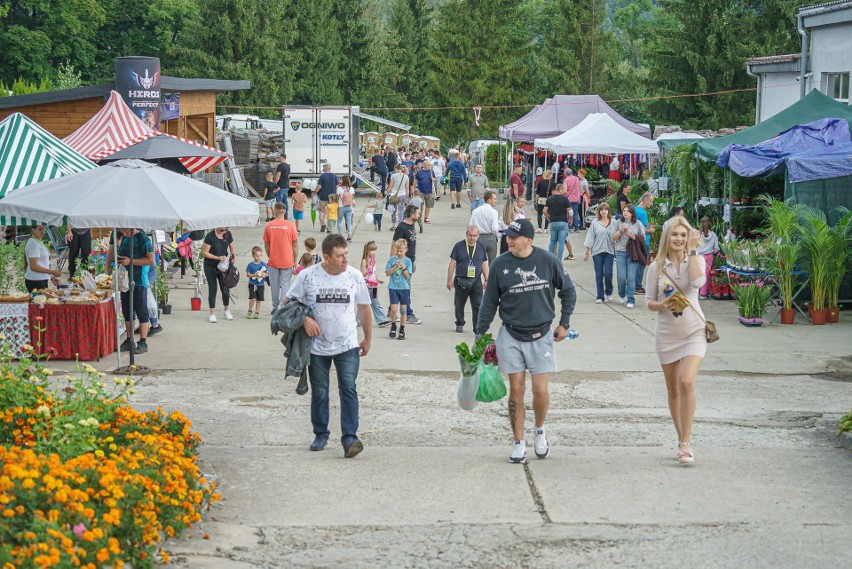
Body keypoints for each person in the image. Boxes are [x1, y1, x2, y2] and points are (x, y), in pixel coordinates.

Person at [475, 219, 577, 464]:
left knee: (540, 390)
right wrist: (480, 333)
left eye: (514, 237)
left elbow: (568, 291)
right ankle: (518, 442)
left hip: (541, 335)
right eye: (508, 236)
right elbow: (489, 302)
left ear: (528, 240)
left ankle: (539, 431)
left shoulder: (547, 261)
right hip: (510, 335)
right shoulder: (500, 265)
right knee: (516, 391)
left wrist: (564, 323)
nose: (509, 240)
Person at [285, 234, 372, 458]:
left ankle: (350, 438)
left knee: (348, 388)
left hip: (348, 344)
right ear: (326, 257)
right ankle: (321, 434)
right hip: (316, 347)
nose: (345, 259)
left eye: (346, 254)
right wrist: (304, 319)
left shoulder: (354, 276)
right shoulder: (307, 276)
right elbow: (287, 304)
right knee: (320, 392)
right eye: (340, 256)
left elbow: (364, 307)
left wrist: (367, 338)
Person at [645, 217, 707, 465]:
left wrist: (692, 251)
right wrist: (661, 305)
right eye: (675, 235)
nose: (679, 239)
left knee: (686, 381)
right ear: (667, 237)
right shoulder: (656, 266)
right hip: (667, 333)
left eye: (683, 235)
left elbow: (698, 283)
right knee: (672, 389)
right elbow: (648, 301)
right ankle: (680, 437)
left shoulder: (697, 259)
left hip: (694, 330)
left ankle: (686, 442)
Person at [108, 228, 155, 354]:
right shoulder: (123, 237)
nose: (123, 231)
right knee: (127, 312)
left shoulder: (143, 239)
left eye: (125, 230)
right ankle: (129, 340)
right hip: (125, 281)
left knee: (142, 311)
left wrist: (131, 261)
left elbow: (151, 260)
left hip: (139, 281)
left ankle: (143, 342)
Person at [447, 225, 489, 333]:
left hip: (476, 281)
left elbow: (484, 263)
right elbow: (452, 263)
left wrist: (487, 279)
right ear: (466, 234)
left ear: (478, 235)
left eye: (475, 236)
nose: (472, 238)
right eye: (470, 235)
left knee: (478, 305)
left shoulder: (481, 246)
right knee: (459, 304)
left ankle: (477, 327)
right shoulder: (459, 246)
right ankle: (459, 322)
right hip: (461, 280)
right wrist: (449, 280)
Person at [263, 202, 299, 314]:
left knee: (274, 285)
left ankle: (275, 306)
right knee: (285, 285)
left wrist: (270, 256)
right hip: (287, 260)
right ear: (285, 211)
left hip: (274, 260)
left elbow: (266, 244)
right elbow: (295, 244)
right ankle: (282, 307)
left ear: (274, 211)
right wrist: (295, 261)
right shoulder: (291, 225)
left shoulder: (269, 225)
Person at [390, 205, 423, 325]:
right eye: (417, 213)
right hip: (402, 263)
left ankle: (391, 311)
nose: (419, 215)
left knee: (402, 287)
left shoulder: (412, 225)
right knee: (405, 288)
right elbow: (394, 244)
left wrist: (414, 262)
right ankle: (409, 314)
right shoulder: (401, 227)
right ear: (412, 214)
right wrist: (393, 262)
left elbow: (412, 244)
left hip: (410, 262)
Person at [612, 204, 645, 309]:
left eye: (627, 211)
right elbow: (613, 237)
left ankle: (631, 299)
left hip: (632, 253)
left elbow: (643, 238)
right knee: (621, 277)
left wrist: (633, 236)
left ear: (632, 213)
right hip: (621, 252)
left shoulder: (637, 223)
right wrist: (620, 231)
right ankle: (622, 294)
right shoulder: (618, 222)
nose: (625, 213)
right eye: (624, 211)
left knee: (631, 278)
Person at [202, 227, 236, 323]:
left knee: (225, 287)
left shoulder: (228, 234)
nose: (224, 232)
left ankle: (227, 310)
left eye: (225, 230)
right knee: (213, 288)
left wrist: (233, 256)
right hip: (210, 265)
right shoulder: (210, 236)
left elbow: (232, 248)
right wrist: (217, 257)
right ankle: (212, 313)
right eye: (221, 230)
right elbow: (205, 252)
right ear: (217, 227)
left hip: (223, 265)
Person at [583, 202, 615, 303]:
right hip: (597, 251)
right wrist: (587, 252)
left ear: (608, 211)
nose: (604, 211)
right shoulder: (595, 223)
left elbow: (618, 235)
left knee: (609, 273)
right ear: (599, 211)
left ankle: (609, 292)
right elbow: (590, 237)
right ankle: (600, 296)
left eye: (605, 209)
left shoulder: (613, 222)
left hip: (609, 251)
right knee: (599, 275)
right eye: (602, 210)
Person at [385, 239, 413, 340]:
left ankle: (402, 329)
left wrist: (403, 267)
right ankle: (393, 325)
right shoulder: (392, 260)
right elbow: (387, 273)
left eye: (401, 251)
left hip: (404, 288)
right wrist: (395, 267)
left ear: (406, 250)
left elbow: (408, 276)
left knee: (403, 310)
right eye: (397, 251)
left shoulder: (408, 261)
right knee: (393, 309)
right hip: (393, 287)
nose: (399, 253)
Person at [359, 241, 390, 327]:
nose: (374, 252)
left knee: (377, 303)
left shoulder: (373, 260)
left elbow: (374, 273)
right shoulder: (364, 261)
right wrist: (367, 269)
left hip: (374, 286)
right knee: (364, 304)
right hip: (366, 286)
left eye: (375, 250)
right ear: (367, 251)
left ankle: (381, 320)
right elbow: (362, 274)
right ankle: (358, 321)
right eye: (372, 250)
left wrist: (378, 279)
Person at [24, 225, 62, 291]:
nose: (43, 232)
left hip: (40, 280)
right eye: (40, 229)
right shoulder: (33, 243)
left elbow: (43, 264)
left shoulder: (37, 242)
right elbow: (34, 266)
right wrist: (52, 272)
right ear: (33, 230)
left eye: (44, 229)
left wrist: (51, 277)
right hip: (35, 281)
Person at [469, 190, 500, 266]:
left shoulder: (475, 211)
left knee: (477, 262)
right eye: (494, 199)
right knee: (492, 262)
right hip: (490, 238)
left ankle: (477, 277)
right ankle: (490, 277)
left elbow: (470, 225)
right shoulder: (494, 212)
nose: (496, 201)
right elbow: (494, 228)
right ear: (489, 200)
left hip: (479, 238)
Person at [543, 183, 571, 261]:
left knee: (552, 241)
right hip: (563, 222)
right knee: (561, 242)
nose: (565, 190)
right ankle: (558, 260)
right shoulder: (565, 199)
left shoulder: (549, 198)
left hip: (553, 222)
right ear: (560, 190)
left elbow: (544, 210)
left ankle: (550, 259)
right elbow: (570, 211)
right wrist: (571, 218)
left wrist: (548, 216)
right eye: (564, 189)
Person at [634, 192, 656, 294]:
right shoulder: (643, 213)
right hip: (644, 241)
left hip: (635, 240)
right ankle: (637, 286)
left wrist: (647, 226)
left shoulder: (634, 210)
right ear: (645, 200)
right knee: (642, 264)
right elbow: (642, 230)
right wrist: (650, 230)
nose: (651, 204)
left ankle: (633, 284)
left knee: (636, 263)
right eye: (651, 201)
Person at [696, 216, 720, 299]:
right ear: (710, 223)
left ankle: (696, 292)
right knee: (706, 274)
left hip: (698, 256)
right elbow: (716, 248)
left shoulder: (698, 234)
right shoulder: (713, 235)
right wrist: (714, 251)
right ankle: (703, 293)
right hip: (709, 256)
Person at [313, 163, 339, 233]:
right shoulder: (334, 176)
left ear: (327, 168)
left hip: (323, 197)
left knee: (321, 211)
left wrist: (314, 193)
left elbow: (319, 186)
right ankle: (329, 227)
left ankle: (323, 224)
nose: (323, 168)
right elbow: (337, 186)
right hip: (332, 198)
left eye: (323, 167)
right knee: (329, 212)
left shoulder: (322, 176)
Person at [245, 246, 268, 319]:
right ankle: (250, 310)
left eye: (260, 255)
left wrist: (265, 275)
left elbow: (267, 273)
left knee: (258, 299)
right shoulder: (250, 265)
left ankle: (257, 312)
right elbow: (248, 274)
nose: (259, 257)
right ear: (253, 256)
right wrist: (254, 275)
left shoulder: (263, 264)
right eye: (257, 256)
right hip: (252, 284)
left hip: (260, 284)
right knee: (253, 298)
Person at [388, 164, 408, 230]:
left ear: (396, 169)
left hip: (394, 195)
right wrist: (407, 197)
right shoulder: (406, 177)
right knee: (401, 210)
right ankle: (400, 225)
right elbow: (407, 188)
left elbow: (390, 186)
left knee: (393, 210)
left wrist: (387, 191)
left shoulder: (393, 176)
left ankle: (394, 225)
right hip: (402, 195)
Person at [337, 176, 356, 241]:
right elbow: (352, 198)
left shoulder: (339, 188)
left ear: (343, 180)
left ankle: (340, 236)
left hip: (341, 207)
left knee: (339, 221)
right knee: (348, 222)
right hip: (349, 207)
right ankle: (349, 235)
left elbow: (337, 199)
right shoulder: (351, 188)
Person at [563, 168, 582, 232]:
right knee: (575, 213)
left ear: (565, 174)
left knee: (569, 213)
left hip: (569, 199)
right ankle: (576, 228)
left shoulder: (566, 180)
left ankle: (570, 227)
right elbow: (579, 188)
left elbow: (565, 191)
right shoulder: (577, 179)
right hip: (576, 198)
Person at [274, 155, 291, 219]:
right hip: (286, 186)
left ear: (282, 157)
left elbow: (278, 175)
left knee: (279, 203)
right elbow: (288, 176)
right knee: (285, 202)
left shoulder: (280, 165)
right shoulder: (288, 166)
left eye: (279, 157)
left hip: (280, 186)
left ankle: (279, 217)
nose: (279, 158)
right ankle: (285, 216)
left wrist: (274, 184)